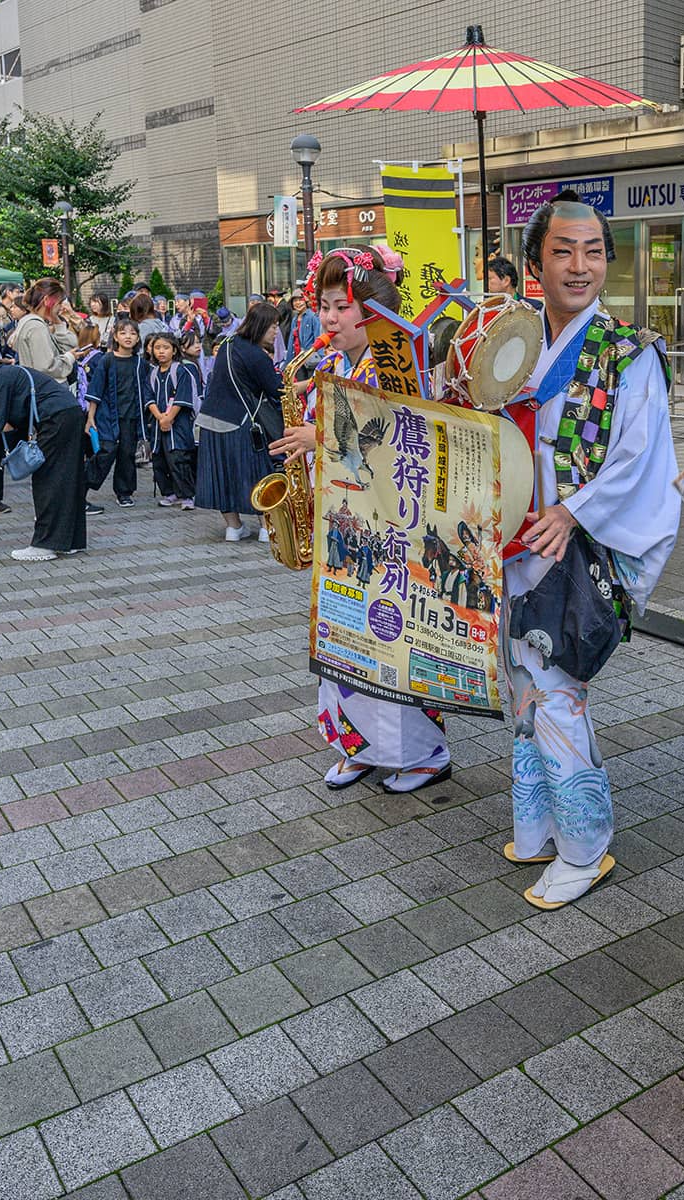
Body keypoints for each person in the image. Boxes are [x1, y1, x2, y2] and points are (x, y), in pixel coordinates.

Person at [503, 191, 679, 908]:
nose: (581, 265)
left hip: (579, 543)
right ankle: (538, 820)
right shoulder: (511, 342)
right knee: (520, 685)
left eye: (594, 251)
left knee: (555, 685)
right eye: (563, 251)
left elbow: (640, 459)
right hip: (517, 533)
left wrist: (573, 513)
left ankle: (584, 848)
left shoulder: (629, 353)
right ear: (534, 263)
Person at [269, 246, 453, 796]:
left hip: (386, 532)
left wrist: (319, 438)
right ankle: (357, 747)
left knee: (388, 642)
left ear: (372, 309)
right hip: (339, 529)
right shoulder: (328, 364)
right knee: (341, 641)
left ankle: (423, 754)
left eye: (340, 305)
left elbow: (400, 449)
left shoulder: (396, 368)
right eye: (323, 305)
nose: (328, 317)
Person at [0, 339, 88, 561]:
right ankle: (70, 540)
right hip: (66, 414)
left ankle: (46, 544)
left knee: (48, 480)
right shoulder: (0, 374)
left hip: (56, 419)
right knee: (67, 479)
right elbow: (8, 420)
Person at [195, 302, 281, 541]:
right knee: (255, 473)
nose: (276, 332)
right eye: (274, 326)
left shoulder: (227, 344)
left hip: (210, 419)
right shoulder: (257, 355)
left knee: (221, 474)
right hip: (239, 422)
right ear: (262, 326)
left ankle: (233, 528)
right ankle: (266, 527)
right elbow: (277, 390)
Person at [86, 317, 147, 508]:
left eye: (132, 333)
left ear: (138, 338)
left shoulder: (140, 363)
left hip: (131, 417)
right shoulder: (107, 360)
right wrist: (90, 418)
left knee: (127, 454)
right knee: (106, 451)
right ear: (115, 336)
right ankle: (82, 487)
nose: (128, 337)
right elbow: (95, 390)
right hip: (107, 416)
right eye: (123, 333)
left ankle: (124, 492)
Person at [142, 331, 198, 510]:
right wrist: (160, 417)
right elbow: (148, 397)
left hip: (178, 425)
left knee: (179, 459)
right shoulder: (152, 374)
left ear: (174, 350)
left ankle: (187, 495)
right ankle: (169, 493)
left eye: (165, 347)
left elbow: (183, 397)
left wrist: (169, 417)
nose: (161, 352)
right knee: (159, 460)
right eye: (157, 348)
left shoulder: (180, 371)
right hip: (158, 426)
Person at [11, 279, 78, 383]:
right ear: (47, 300)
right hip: (49, 389)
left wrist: (56, 320)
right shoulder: (36, 327)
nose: (61, 307)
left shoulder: (29, 322)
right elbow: (46, 367)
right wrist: (69, 357)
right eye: (59, 303)